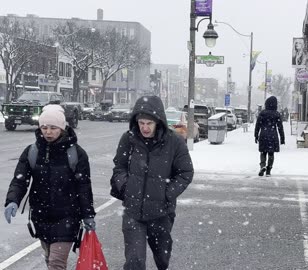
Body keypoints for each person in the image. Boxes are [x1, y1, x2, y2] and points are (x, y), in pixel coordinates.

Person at [4, 105, 95, 270]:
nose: (48, 132)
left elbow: (84, 187)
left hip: (68, 216)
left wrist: (88, 214)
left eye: (53, 128)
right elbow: (20, 180)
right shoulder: (32, 151)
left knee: (56, 263)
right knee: (49, 259)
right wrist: (12, 200)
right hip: (41, 215)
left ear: (62, 127)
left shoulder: (76, 153)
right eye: (44, 127)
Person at [110, 96, 194, 270]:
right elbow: (119, 167)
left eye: (149, 123)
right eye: (141, 123)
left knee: (162, 259)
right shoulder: (128, 139)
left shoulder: (174, 142)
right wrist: (126, 186)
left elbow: (185, 172)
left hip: (161, 213)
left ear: (158, 122)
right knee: (135, 261)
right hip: (133, 211)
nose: (144, 128)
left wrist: (166, 193)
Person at [254, 96, 285, 177]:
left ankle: (262, 165)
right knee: (271, 153)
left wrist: (256, 135)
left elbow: (258, 125)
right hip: (273, 135)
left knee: (263, 152)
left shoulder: (262, 113)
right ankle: (268, 170)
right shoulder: (276, 114)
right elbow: (280, 127)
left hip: (263, 134)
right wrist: (282, 138)